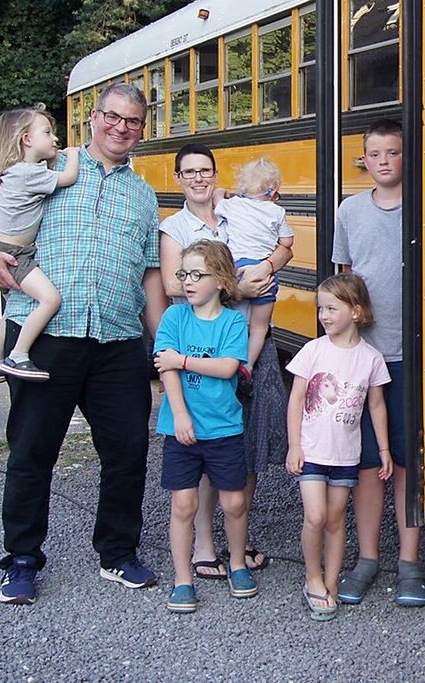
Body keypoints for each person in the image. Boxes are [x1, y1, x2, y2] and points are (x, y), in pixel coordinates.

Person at [0, 82, 167, 605]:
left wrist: (160, 343)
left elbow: (151, 275)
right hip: (44, 338)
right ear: (94, 119)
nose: (121, 128)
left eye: (133, 122)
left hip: (118, 338)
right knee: (33, 451)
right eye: (112, 117)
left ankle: (118, 553)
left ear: (141, 129)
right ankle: (21, 559)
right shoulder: (52, 164)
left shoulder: (143, 194)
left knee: (127, 450)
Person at [159, 144, 290, 579]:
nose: (198, 178)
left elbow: (283, 251)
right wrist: (239, 288)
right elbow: (174, 287)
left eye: (206, 170)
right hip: (205, 350)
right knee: (203, 439)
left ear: (217, 175)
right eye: (189, 172)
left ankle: (240, 535)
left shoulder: (237, 209)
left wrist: (269, 264)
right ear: (178, 177)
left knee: (244, 446)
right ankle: (203, 543)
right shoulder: (175, 227)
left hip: (250, 345)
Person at [331, 118, 425, 607]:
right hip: (363, 357)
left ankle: (409, 561)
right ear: (363, 159)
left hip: (411, 354)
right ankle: (367, 558)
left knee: (407, 460)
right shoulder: (349, 211)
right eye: (376, 153)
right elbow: (346, 281)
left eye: (394, 152)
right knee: (368, 462)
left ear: (406, 157)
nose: (386, 161)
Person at [154, 240, 256, 613]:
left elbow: (228, 367)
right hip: (181, 428)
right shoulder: (173, 318)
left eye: (198, 274)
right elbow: (166, 370)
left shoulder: (232, 322)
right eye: (184, 274)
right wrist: (179, 415)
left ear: (221, 279)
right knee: (183, 504)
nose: (188, 282)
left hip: (225, 428)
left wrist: (181, 359)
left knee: (234, 502)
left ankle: (238, 564)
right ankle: (183, 578)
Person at [285, 273, 392, 620]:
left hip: (347, 456)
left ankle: (330, 582)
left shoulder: (371, 358)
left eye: (332, 308)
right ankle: (312, 577)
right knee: (315, 516)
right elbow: (296, 398)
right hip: (313, 451)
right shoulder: (313, 350)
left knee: (335, 519)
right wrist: (293, 446)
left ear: (356, 311)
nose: (324, 316)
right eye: (321, 309)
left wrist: (385, 450)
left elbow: (376, 405)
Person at [0, 106, 80, 384]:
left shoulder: (14, 172)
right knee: (50, 299)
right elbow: (69, 177)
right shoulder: (28, 173)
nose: (55, 140)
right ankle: (19, 355)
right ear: (27, 139)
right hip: (17, 255)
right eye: (47, 133)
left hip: (2, 248)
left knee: (11, 309)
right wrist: (73, 155)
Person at [214, 157, 294, 370]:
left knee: (234, 317)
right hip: (263, 270)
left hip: (238, 268)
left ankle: (229, 359)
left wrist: (223, 192)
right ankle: (247, 366)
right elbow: (287, 243)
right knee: (259, 328)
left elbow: (216, 199)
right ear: (272, 191)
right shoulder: (277, 211)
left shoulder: (233, 205)